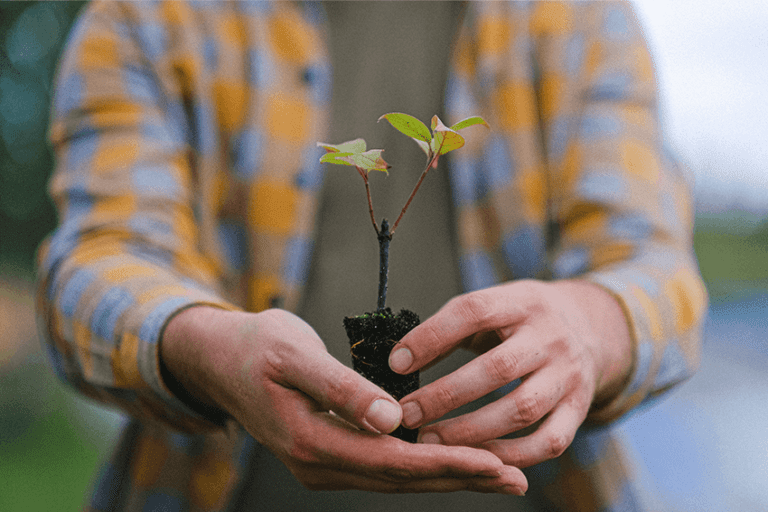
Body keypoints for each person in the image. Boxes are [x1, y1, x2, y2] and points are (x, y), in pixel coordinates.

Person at [37, 1, 707, 510]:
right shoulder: (151, 15)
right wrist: (203, 348)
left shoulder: (575, 16)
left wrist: (591, 326)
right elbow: (98, 261)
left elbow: (656, 267)